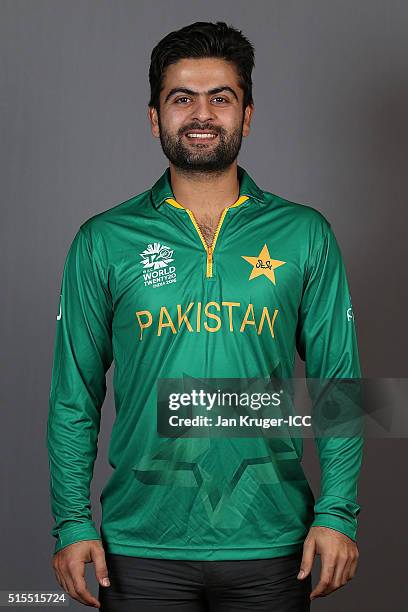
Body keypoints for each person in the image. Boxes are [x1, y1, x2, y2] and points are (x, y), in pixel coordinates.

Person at [47, 21, 362, 611]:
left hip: (275, 543)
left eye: (221, 97)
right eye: (181, 98)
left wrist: (339, 513)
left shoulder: (304, 234)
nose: (201, 113)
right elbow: (74, 396)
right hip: (138, 549)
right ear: (153, 117)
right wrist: (71, 522)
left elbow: (338, 385)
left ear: (246, 115)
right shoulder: (103, 240)